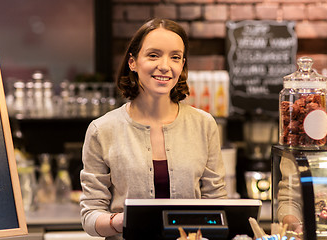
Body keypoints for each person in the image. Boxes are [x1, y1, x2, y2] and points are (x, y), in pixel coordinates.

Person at [80, 18, 227, 240]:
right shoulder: (102, 130)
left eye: (175, 57)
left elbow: (217, 201)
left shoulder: (204, 124)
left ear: (182, 65)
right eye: (153, 55)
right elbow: (90, 215)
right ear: (133, 62)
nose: (165, 66)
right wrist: (119, 221)